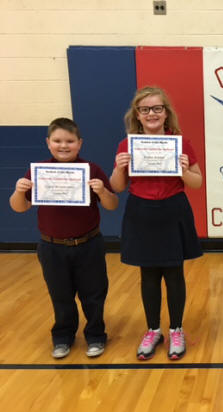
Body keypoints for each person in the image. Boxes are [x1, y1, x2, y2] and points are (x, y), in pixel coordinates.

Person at [9, 117, 118, 359]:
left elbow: (112, 205)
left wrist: (102, 191)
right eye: (58, 141)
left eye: (69, 141)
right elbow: (20, 207)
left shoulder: (91, 169)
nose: (64, 146)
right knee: (60, 295)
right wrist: (18, 191)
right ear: (48, 143)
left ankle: (95, 335)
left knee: (94, 295)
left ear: (80, 143)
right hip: (52, 247)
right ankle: (62, 337)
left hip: (89, 244)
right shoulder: (38, 171)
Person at [110, 86, 203, 361]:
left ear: (166, 113)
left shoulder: (180, 143)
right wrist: (119, 167)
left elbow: (196, 183)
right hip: (141, 211)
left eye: (157, 108)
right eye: (145, 109)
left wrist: (184, 170)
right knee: (148, 275)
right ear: (137, 115)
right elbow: (117, 186)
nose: (151, 113)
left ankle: (176, 330)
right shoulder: (127, 145)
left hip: (173, 210)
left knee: (174, 274)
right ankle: (153, 330)